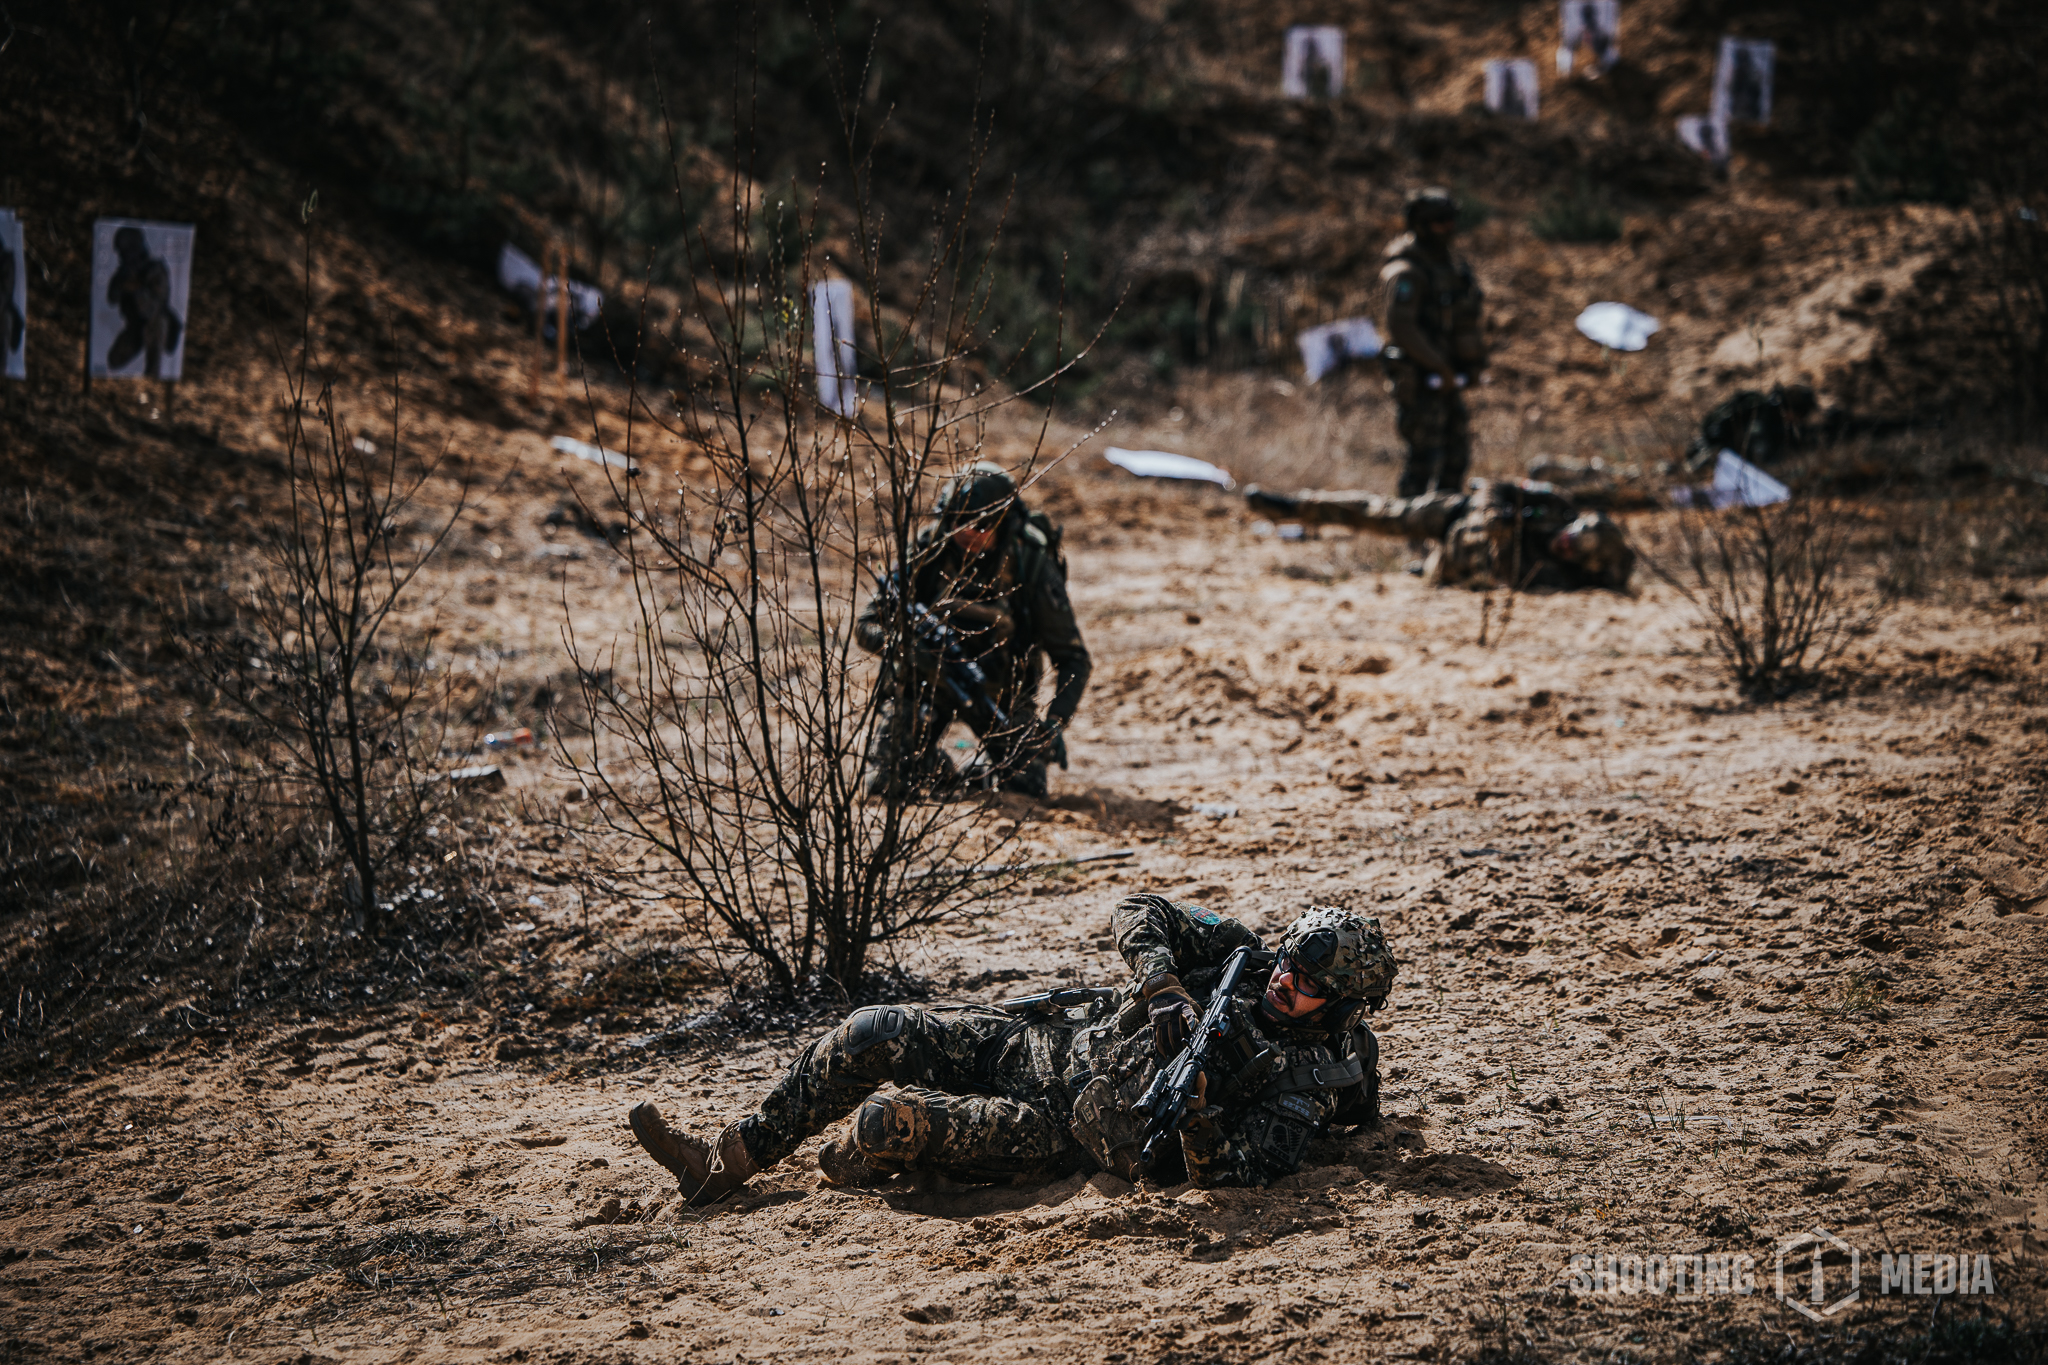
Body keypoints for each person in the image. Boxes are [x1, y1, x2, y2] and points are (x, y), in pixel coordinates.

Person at [625, 896, 1397, 1200]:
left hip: (1061, 1130)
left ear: (1343, 1006)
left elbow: (1229, 1176)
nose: (1283, 984)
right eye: (1289, 964)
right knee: (871, 1028)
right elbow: (1139, 909)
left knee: (885, 1119)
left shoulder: (1306, 1083)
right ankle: (728, 1159)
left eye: (1305, 984)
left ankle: (890, 1158)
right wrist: (1162, 981)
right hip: (1041, 1043)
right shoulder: (1240, 957)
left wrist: (1195, 1115)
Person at [853, 462, 1090, 802]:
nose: (968, 533)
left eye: (981, 525)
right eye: (957, 521)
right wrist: (906, 649)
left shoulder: (1031, 563)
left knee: (1025, 787)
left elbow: (1074, 659)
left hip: (1003, 694)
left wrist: (1053, 724)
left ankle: (977, 774)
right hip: (927, 687)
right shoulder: (928, 550)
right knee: (885, 784)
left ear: (1004, 524)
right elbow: (866, 624)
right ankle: (934, 768)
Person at [1243, 478, 1635, 591]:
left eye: (1574, 550)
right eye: (1573, 535)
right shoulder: (1555, 503)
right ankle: (1294, 507)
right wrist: (1491, 512)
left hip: (1459, 558)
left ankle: (1419, 569)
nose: (1564, 544)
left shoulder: (1558, 577)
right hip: (1459, 514)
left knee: (1430, 573)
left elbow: (1508, 576)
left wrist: (1500, 541)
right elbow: (1498, 485)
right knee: (1381, 512)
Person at [1380, 189, 1487, 499]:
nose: (1449, 227)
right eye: (1441, 221)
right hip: (1420, 376)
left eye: (1452, 220)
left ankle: (1445, 524)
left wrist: (1471, 362)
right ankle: (1410, 530)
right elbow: (1401, 327)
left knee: (1457, 456)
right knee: (1424, 458)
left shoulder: (1451, 266)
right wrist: (1438, 365)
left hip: (1449, 376)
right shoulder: (1406, 271)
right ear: (1421, 225)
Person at [105, 226, 184, 379]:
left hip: (157, 324)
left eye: (127, 251)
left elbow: (154, 309)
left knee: (158, 324)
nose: (124, 256)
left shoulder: (155, 270)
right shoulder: (125, 272)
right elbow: (112, 299)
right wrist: (121, 282)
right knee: (114, 360)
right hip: (136, 326)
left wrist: (137, 289)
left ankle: (152, 378)